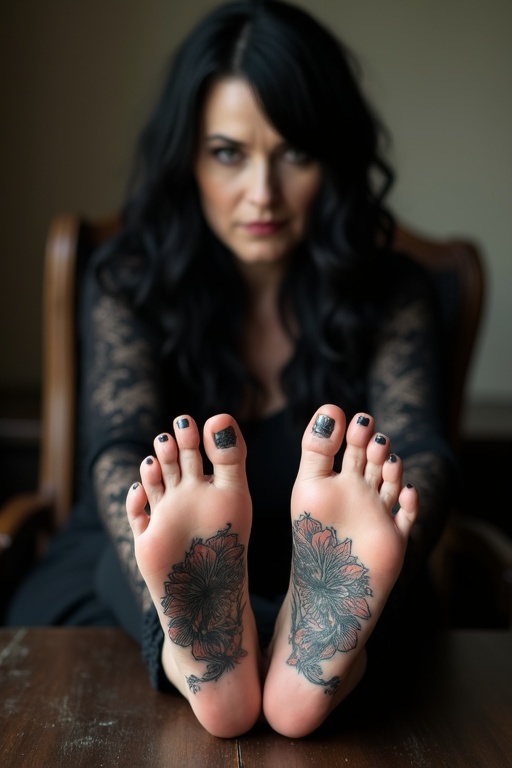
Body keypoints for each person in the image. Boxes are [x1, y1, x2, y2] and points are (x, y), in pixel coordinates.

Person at [6, 0, 456, 739]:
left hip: (318, 577)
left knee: (383, 572)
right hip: (122, 583)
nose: (263, 194)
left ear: (334, 157)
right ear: (187, 155)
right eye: (228, 153)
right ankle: (216, 653)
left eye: (295, 153)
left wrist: (392, 530)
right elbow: (117, 450)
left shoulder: (392, 292)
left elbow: (422, 456)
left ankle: (313, 645)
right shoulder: (129, 279)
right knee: (137, 563)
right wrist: (162, 578)